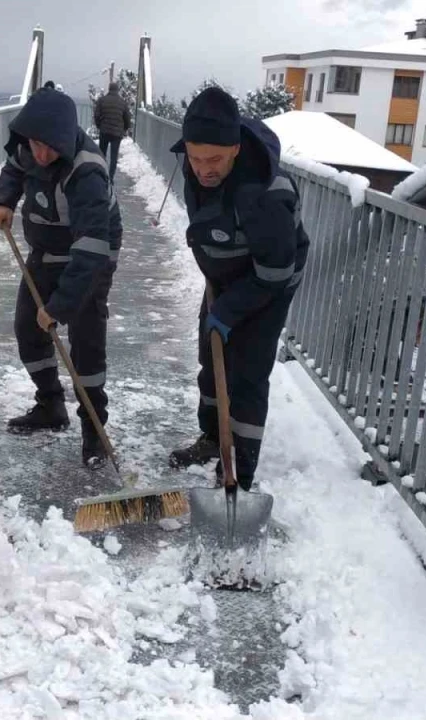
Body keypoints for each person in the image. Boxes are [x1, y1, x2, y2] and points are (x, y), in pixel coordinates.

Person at [166, 86, 309, 492]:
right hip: (225, 277)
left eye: (214, 159)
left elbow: (276, 271)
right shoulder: (197, 166)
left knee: (246, 372)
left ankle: (238, 474)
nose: (203, 169)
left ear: (235, 149)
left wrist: (230, 310)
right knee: (211, 360)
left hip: (269, 281)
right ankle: (213, 439)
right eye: (194, 158)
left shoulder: (265, 196)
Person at [0, 88, 123, 469]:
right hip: (45, 251)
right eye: (35, 144)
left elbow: (92, 251)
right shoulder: (29, 148)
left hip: (91, 258)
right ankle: (50, 405)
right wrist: (4, 201)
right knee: (28, 328)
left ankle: (94, 430)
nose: (41, 155)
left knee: (85, 343)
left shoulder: (87, 173)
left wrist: (59, 307)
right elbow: (15, 167)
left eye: (49, 148)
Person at [93, 82, 131, 182]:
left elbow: (96, 115)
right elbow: (127, 118)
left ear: (109, 89)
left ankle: (101, 175)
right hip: (117, 134)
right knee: (114, 157)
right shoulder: (122, 102)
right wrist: (124, 129)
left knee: (102, 154)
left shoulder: (102, 100)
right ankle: (110, 178)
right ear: (117, 90)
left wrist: (99, 126)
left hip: (104, 131)